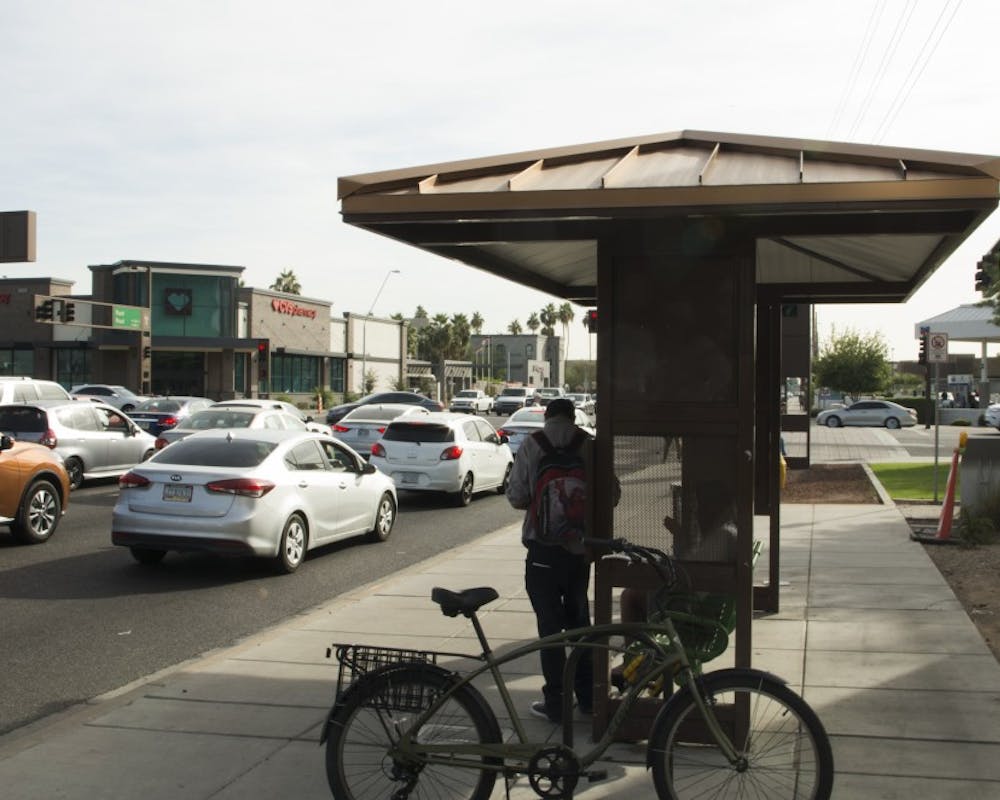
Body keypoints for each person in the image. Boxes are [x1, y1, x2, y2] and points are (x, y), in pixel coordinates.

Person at [506, 397, 596, 724]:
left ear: (547, 417)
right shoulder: (588, 445)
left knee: (550, 628)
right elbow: (610, 495)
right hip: (579, 551)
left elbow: (517, 496)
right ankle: (588, 698)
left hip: (542, 552)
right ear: (574, 417)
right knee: (580, 625)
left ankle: (556, 703)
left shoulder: (533, 444)